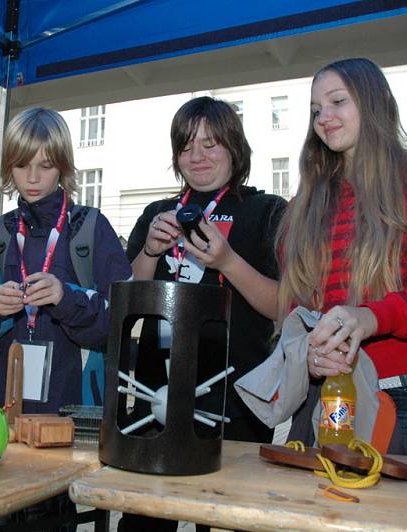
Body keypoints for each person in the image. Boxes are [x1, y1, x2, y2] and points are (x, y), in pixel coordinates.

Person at [278, 57, 407, 459]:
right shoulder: (303, 206)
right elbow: (296, 305)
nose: (324, 118)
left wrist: (370, 317)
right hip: (328, 401)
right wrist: (311, 356)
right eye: (317, 110)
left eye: (338, 101)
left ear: (374, 103)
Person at [118, 96, 285, 532]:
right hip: (158, 390)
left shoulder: (267, 212)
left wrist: (228, 262)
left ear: (234, 149)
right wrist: (151, 252)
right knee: (147, 518)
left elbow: (283, 305)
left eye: (211, 144)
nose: (198, 156)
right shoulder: (157, 214)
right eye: (187, 146)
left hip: (239, 397)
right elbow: (126, 304)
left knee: (234, 515)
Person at [0, 107, 131, 414]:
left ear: (63, 166)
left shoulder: (91, 228)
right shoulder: (1, 234)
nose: (33, 177)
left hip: (74, 412)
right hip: (2, 412)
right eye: (22, 165)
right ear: (9, 167)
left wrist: (66, 298)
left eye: (46, 165)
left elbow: (121, 323)